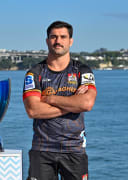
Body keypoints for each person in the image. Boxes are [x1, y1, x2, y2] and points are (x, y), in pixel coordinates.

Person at [23, 21, 97, 180]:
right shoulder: (35, 73)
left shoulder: (82, 71)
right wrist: (73, 104)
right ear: (47, 40)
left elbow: (87, 103)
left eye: (63, 37)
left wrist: (50, 99)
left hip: (74, 150)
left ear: (71, 41)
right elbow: (33, 110)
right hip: (42, 150)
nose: (58, 41)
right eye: (53, 37)